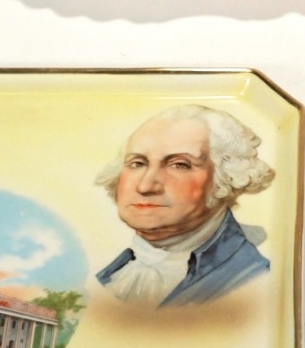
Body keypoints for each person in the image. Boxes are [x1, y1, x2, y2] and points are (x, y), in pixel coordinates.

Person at [93, 104, 276, 307]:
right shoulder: (113, 275)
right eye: (137, 163)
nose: (145, 186)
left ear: (226, 177)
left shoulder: (253, 278)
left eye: (179, 164)